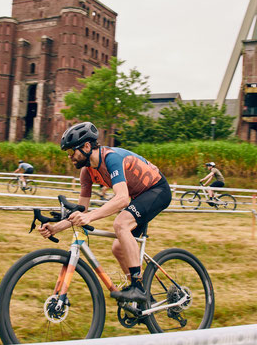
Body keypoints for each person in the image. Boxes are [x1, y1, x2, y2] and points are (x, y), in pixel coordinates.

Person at [38, 122, 172, 304]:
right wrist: (55, 228)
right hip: (138, 197)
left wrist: (89, 217)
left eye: (71, 152)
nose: (70, 157)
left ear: (86, 146)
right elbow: (81, 211)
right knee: (118, 248)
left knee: (121, 224)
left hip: (157, 190)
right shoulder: (86, 172)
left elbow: (122, 199)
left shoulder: (111, 158)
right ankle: (141, 297)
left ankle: (137, 288)